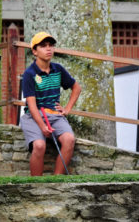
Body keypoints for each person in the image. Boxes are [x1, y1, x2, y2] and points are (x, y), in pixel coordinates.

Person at [20, 31, 81, 176]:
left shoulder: (58, 69)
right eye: (43, 46)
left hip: (55, 115)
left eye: (51, 46)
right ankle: (37, 184)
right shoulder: (29, 74)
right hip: (33, 117)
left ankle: (56, 179)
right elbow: (32, 105)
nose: (49, 49)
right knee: (39, 145)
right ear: (34, 51)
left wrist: (67, 109)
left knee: (69, 140)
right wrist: (42, 126)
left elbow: (76, 87)